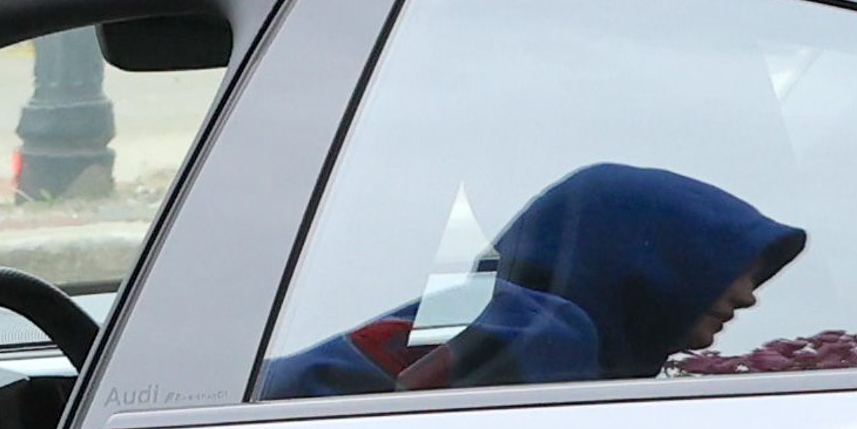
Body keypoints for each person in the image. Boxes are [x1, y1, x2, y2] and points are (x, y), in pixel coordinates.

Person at [262, 161, 805, 398]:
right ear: (641, 260)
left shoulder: (513, 326)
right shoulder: (544, 335)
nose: (749, 296)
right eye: (726, 264)